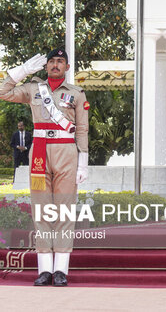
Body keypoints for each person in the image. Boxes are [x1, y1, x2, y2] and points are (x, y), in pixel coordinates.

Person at [0, 48, 89, 287]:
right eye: (52, 61)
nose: (55, 64)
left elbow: (81, 128)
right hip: (39, 150)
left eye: (60, 61)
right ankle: (44, 270)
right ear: (46, 66)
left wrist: (83, 161)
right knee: (41, 209)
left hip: (66, 152)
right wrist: (20, 72)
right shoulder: (33, 89)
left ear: (67, 67)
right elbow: (2, 92)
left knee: (64, 210)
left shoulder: (77, 93)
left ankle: (60, 270)